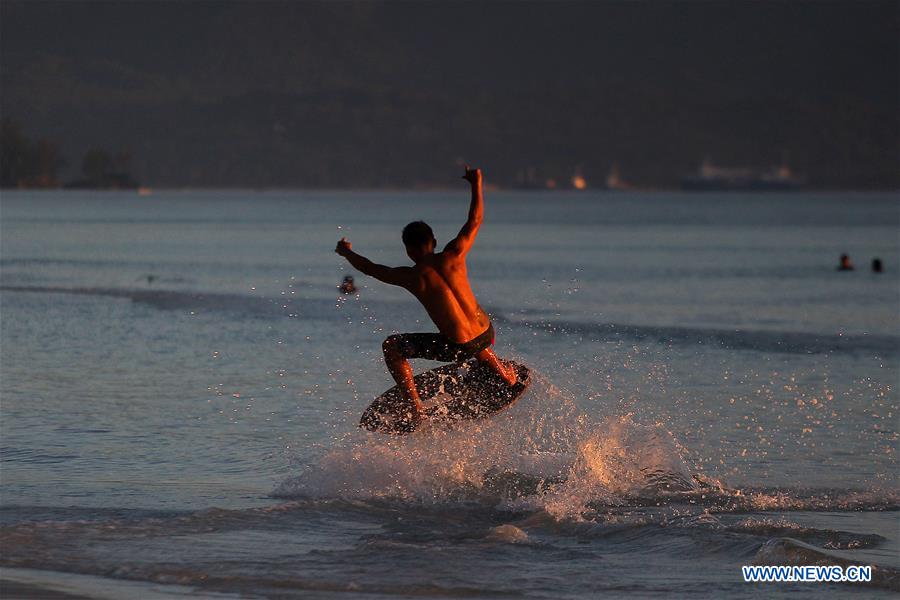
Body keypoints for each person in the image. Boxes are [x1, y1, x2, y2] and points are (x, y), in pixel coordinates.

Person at [335, 166, 517, 422]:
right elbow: (475, 220)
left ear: (409, 250)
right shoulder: (455, 254)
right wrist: (476, 182)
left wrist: (346, 253)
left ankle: (415, 408)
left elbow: (370, 269)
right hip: (487, 334)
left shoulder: (411, 277)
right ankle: (501, 371)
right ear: (434, 242)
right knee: (468, 328)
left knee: (392, 347)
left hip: (459, 346)